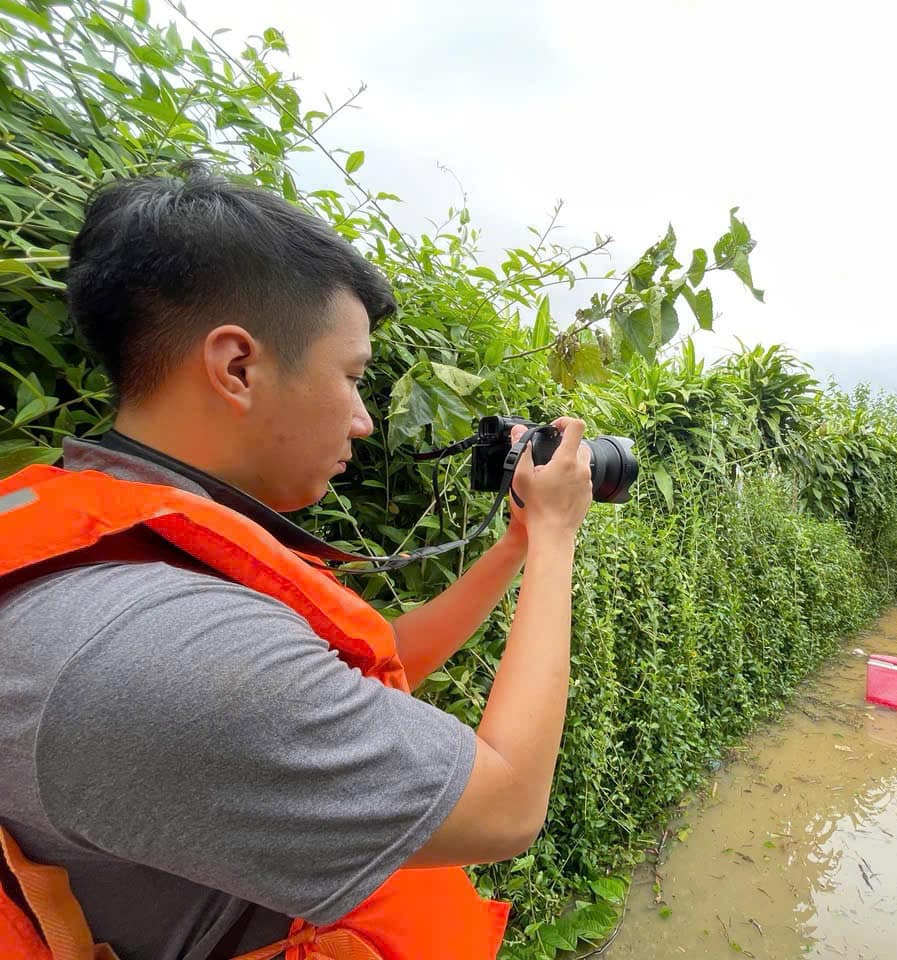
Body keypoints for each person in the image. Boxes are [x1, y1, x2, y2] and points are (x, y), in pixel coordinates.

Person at [0, 170, 593, 959]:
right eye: (351, 377)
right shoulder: (163, 647)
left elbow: (379, 661)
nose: (363, 417)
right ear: (237, 367)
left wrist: (516, 544)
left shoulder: (119, 561)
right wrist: (558, 540)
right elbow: (508, 807)